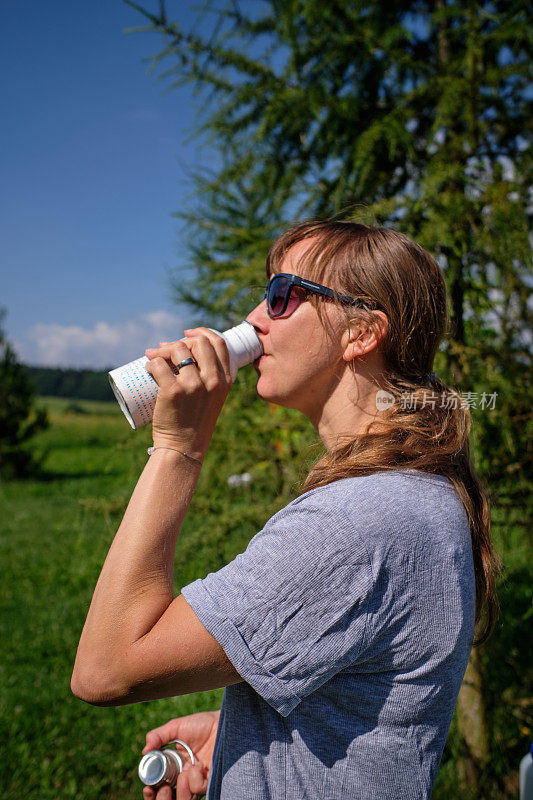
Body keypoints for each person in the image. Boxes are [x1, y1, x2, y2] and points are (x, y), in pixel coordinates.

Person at [71, 221, 499, 800]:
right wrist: (241, 739)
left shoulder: (358, 522)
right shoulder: (421, 491)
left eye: (283, 294)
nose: (254, 316)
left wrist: (178, 449)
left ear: (361, 333)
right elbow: (369, 701)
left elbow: (104, 670)